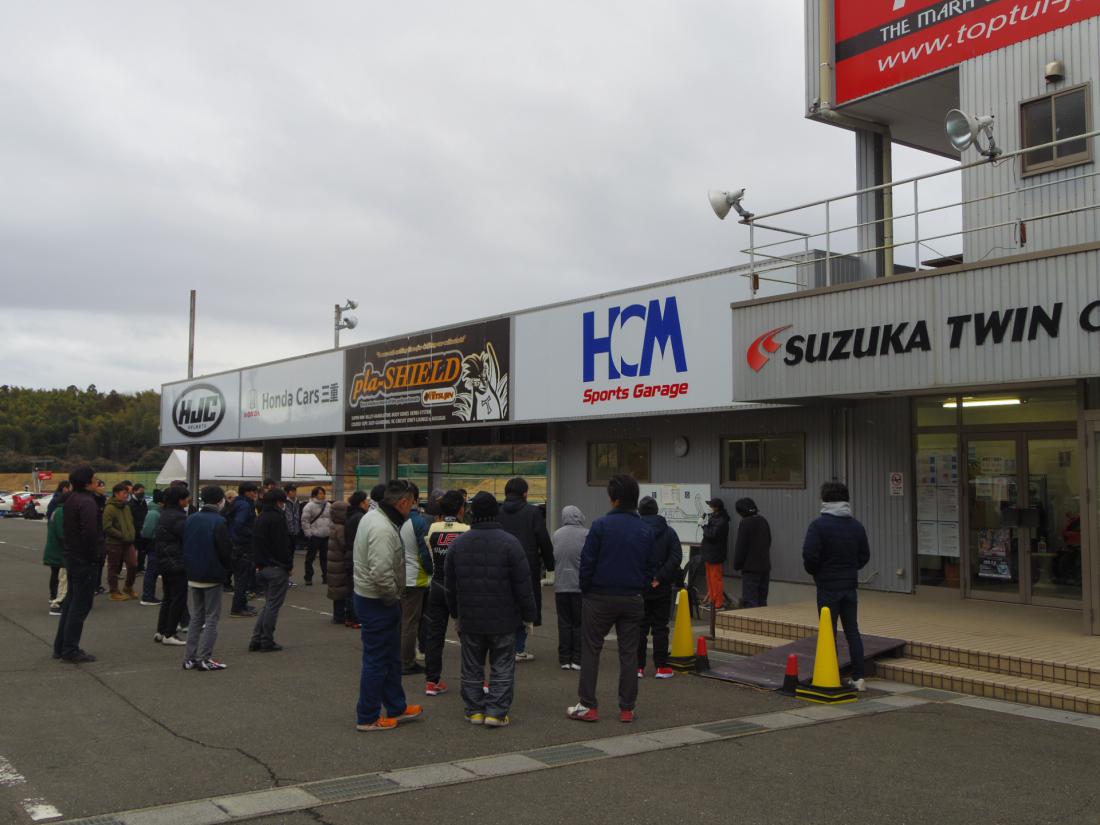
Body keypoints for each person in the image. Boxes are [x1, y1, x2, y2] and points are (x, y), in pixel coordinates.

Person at [567, 474, 658, 724]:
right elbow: (650, 566)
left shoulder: (600, 526)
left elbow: (587, 562)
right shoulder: (645, 529)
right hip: (632, 597)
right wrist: (640, 588)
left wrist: (586, 589)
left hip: (599, 596)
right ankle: (627, 709)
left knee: (591, 650)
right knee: (629, 654)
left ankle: (588, 705)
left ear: (613, 498)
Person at [445, 492, 536, 727]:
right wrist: (529, 615)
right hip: (504, 618)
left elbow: (450, 585)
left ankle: (474, 710)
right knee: (502, 666)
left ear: (473, 513)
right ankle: (496, 712)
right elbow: (523, 584)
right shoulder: (511, 543)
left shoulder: (458, 544)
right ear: (496, 512)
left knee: (471, 666)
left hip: (470, 618)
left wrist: (455, 613)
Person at [352, 479, 423, 732]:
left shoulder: (375, 518)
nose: (413, 508)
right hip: (377, 600)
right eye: (412, 503)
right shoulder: (382, 527)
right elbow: (381, 572)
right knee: (377, 660)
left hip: (373, 597)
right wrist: (393, 596)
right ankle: (368, 716)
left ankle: (396, 706)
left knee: (390, 657)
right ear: (403, 502)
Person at [802, 481, 871, 692]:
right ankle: (859, 677)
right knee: (852, 630)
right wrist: (850, 569)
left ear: (824, 500)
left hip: (827, 585)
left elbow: (809, 556)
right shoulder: (856, 526)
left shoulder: (818, 526)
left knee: (828, 632)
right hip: (849, 585)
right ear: (846, 499)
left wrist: (818, 572)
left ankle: (831, 674)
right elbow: (864, 556)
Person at [497, 477, 554, 661]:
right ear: (525, 493)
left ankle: (504, 646)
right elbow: (543, 539)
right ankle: (519, 648)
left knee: (505, 603)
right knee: (525, 604)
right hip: (528, 566)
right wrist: (550, 565)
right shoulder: (533, 512)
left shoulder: (498, 512)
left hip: (501, 566)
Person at [423, 490, 469, 696]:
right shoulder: (466, 530)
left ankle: (432, 681)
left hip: (437, 585)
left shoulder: (433, 528)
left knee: (434, 635)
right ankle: (474, 679)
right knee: (468, 636)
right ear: (461, 508)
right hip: (459, 589)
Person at [53, 467, 101, 663]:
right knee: (80, 605)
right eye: (94, 478)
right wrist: (95, 555)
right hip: (84, 559)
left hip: (72, 556)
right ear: (87, 483)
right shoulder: (87, 502)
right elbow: (90, 532)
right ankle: (70, 649)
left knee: (71, 603)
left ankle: (61, 646)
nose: (97, 481)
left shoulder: (71, 499)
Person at [183, 486, 233, 671]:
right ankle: (205, 657)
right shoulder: (219, 521)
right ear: (220, 500)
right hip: (212, 574)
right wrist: (227, 569)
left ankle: (189, 658)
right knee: (212, 617)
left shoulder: (191, 518)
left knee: (197, 616)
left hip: (193, 572)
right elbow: (225, 550)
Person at [637, 496, 684, 679]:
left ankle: (638, 667)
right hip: (662, 587)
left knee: (639, 627)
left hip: (639, 587)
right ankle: (661, 667)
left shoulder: (635, 530)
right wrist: (659, 577)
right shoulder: (669, 532)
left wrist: (644, 577)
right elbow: (676, 557)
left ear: (640, 511)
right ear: (657, 510)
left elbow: (629, 556)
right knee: (660, 627)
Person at [250, 488, 293, 652]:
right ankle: (266, 640)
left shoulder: (260, 517)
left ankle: (256, 639)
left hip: (261, 566)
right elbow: (282, 545)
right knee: (273, 606)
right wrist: (288, 565)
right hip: (276, 567)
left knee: (268, 605)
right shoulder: (277, 519)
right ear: (278, 502)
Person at [399, 483, 433, 675]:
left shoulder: (393, 520)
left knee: (402, 621)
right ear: (416, 499)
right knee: (411, 623)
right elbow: (425, 553)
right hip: (415, 578)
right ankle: (406, 662)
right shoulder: (419, 522)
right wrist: (432, 571)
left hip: (398, 576)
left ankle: (399, 657)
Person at [551, 505, 587, 671]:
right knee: (579, 623)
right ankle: (577, 659)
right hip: (579, 586)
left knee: (564, 622)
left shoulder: (557, 534)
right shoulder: (586, 534)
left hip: (561, 585)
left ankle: (564, 659)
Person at [154, 485, 189, 647]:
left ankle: (161, 631)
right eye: (186, 498)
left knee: (168, 597)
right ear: (180, 500)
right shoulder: (179, 517)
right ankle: (170, 633)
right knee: (178, 598)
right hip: (176, 561)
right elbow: (186, 537)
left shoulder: (165, 514)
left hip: (164, 560)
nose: (188, 500)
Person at [733, 497, 772, 608]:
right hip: (765, 566)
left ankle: (752, 620)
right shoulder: (763, 520)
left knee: (751, 601)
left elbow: (741, 546)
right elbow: (769, 541)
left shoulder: (745, 523)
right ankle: (763, 619)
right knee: (762, 600)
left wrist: (737, 564)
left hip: (750, 569)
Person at [227, 483, 259, 617]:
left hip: (236, 546)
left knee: (240, 577)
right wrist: (252, 534)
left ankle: (242, 604)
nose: (255, 494)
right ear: (246, 492)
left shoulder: (237, 503)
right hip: (243, 546)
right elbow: (239, 525)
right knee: (242, 579)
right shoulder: (245, 505)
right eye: (253, 492)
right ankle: (237, 608)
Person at [103, 482, 139, 601]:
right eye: (124, 493)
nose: (126, 495)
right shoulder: (110, 508)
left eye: (127, 493)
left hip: (128, 542)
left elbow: (130, 522)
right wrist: (122, 535)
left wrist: (131, 534)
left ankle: (128, 587)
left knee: (133, 565)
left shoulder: (126, 507)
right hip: (114, 543)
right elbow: (107, 527)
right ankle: (114, 591)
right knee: (113, 568)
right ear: (116, 494)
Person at [343, 490, 370, 628]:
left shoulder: (350, 515)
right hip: (356, 555)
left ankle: (349, 617)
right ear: (361, 503)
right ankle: (356, 618)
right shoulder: (360, 517)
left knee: (350, 588)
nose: (368, 503)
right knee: (356, 588)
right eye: (366, 501)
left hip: (348, 553)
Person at [699, 497, 731, 610]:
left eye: (711, 506)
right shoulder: (715, 517)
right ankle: (712, 601)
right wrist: (705, 524)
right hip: (709, 553)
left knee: (716, 579)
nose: (709, 508)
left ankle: (718, 603)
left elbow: (712, 535)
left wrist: (703, 526)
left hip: (715, 554)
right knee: (710, 578)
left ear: (716, 508)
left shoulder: (722, 521)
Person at [44, 486, 70, 616]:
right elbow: (62, 533)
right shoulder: (61, 512)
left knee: (57, 575)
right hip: (59, 551)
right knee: (61, 577)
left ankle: (55, 597)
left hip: (55, 550)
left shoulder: (57, 511)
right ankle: (57, 602)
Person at [326, 499, 351, 624]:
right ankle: (339, 616)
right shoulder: (341, 528)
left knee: (336, 590)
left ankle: (337, 615)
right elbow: (344, 544)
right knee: (341, 590)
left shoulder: (333, 525)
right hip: (339, 562)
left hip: (333, 562)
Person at [301, 486, 332, 586]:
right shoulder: (309, 506)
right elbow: (304, 521)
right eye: (320, 493)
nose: (322, 495)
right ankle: (308, 577)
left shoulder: (328, 505)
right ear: (315, 495)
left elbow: (332, 519)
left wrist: (330, 531)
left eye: (323, 493)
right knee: (310, 558)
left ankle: (326, 577)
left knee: (325, 557)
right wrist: (308, 533)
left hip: (326, 535)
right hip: (314, 535)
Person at [139, 489, 164, 606]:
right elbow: (147, 532)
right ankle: (147, 596)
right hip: (154, 545)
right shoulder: (154, 513)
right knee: (152, 571)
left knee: (153, 571)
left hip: (154, 545)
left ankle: (149, 595)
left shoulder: (155, 512)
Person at [283, 483, 301, 587]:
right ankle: (285, 579)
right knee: (286, 555)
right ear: (287, 492)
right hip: (286, 533)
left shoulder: (297, 501)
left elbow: (297, 516)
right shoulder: (284, 502)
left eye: (295, 491)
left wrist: (297, 530)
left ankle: (288, 578)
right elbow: (287, 518)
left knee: (291, 555)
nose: (294, 493)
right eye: (292, 491)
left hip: (295, 532)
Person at [130, 483, 149, 571]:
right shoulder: (130, 504)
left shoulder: (143, 502)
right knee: (132, 551)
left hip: (142, 529)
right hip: (133, 530)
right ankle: (132, 567)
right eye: (140, 492)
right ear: (134, 491)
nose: (142, 493)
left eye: (143, 492)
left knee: (142, 550)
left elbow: (145, 513)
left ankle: (140, 566)